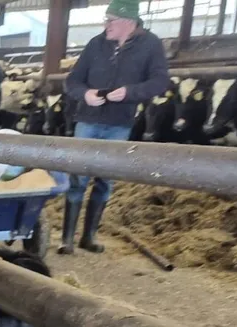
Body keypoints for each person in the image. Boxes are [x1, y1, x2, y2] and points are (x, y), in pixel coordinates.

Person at [60, 0, 169, 253]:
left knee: (105, 181)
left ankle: (88, 237)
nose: (105, 25)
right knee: (77, 177)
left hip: (119, 123)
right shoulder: (95, 44)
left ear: (128, 23)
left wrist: (130, 92)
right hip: (87, 120)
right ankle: (66, 240)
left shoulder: (151, 45)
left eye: (110, 20)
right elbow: (73, 81)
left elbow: (160, 81)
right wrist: (85, 94)